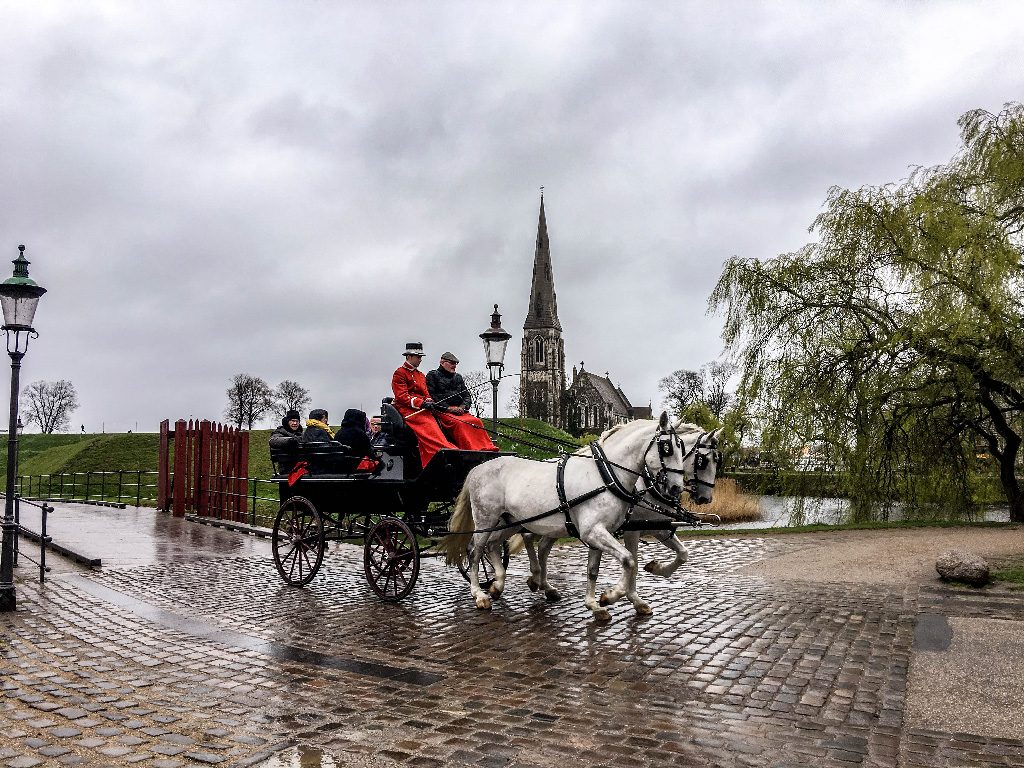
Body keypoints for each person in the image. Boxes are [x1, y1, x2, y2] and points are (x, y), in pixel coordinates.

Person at [391, 342, 459, 467]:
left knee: (440, 421)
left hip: (423, 408)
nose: (420, 360)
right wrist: (421, 403)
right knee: (428, 425)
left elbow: (426, 393)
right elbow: (402, 397)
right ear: (409, 357)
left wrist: (429, 401)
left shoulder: (421, 375)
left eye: (421, 357)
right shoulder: (400, 373)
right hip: (408, 410)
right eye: (418, 357)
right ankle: (442, 451)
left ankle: (440, 452)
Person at [425, 351, 496, 452]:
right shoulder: (432, 375)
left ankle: (486, 448)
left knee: (476, 421)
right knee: (460, 424)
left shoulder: (458, 377)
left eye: (455, 364)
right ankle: (471, 449)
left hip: (460, 411)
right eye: (451, 363)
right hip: (443, 412)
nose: (454, 366)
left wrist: (463, 407)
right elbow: (432, 396)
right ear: (442, 362)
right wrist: (449, 408)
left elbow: (466, 395)